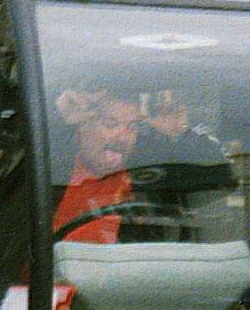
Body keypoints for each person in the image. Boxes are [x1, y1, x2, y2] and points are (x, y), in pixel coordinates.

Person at [51, 89, 226, 244]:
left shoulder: (147, 175)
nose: (123, 138)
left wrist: (181, 134)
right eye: (111, 125)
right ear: (82, 126)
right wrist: (57, 118)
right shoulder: (52, 167)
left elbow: (221, 181)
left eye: (132, 127)